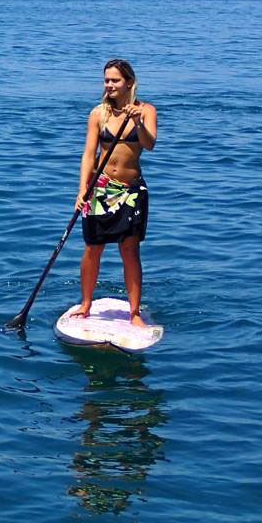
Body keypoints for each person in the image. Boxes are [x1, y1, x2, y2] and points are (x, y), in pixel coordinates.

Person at [73, 59, 157, 328]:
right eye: (106, 80)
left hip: (132, 190)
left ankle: (134, 313)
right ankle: (86, 304)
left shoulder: (146, 111)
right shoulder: (98, 114)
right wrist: (82, 189)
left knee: (130, 251)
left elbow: (150, 144)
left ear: (129, 82)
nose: (109, 85)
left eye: (115, 80)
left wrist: (138, 123)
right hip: (102, 188)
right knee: (92, 248)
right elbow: (88, 155)